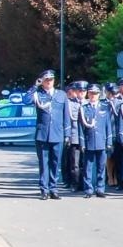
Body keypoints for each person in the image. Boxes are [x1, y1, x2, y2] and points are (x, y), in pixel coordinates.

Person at [31, 69, 68, 199]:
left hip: (57, 134)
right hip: (42, 134)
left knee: (55, 163)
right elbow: (24, 100)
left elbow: (66, 115)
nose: (49, 82)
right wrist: (35, 85)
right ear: (42, 81)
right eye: (46, 80)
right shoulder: (37, 94)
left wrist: (67, 133)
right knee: (43, 163)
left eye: (51, 80)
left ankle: (54, 188)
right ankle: (44, 190)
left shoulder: (61, 95)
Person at [79, 83, 111, 196]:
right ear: (88, 94)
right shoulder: (84, 109)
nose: (93, 95)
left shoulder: (105, 107)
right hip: (89, 141)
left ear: (99, 95)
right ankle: (88, 189)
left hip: (101, 141)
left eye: (96, 93)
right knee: (88, 167)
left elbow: (108, 126)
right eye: (91, 93)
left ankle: (100, 189)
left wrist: (109, 141)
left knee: (101, 167)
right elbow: (81, 128)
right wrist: (82, 143)